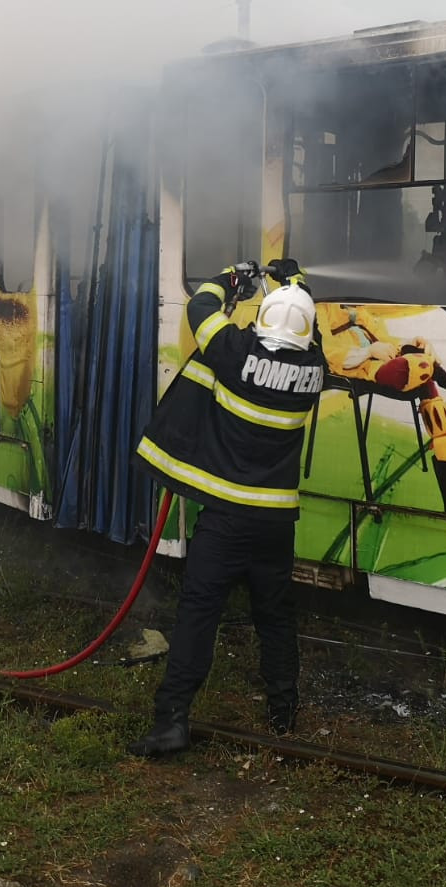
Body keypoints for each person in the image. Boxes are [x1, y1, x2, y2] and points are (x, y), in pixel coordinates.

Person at [129, 258, 326, 757]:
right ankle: (283, 710)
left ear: (262, 322)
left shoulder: (234, 354)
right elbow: (311, 328)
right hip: (276, 524)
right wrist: (294, 282)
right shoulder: (314, 370)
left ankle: (172, 721)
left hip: (225, 521)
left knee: (199, 613)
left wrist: (232, 276)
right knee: (276, 616)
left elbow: (201, 306)